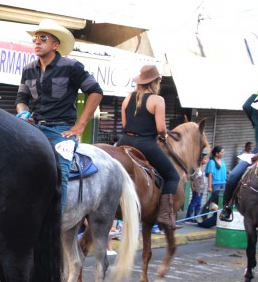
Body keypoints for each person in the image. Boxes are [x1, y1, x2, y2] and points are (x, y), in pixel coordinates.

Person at [15, 19, 104, 209]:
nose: (37, 42)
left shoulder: (72, 66)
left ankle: (56, 221)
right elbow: (21, 100)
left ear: (56, 45)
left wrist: (80, 126)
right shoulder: (28, 69)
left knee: (60, 172)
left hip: (62, 131)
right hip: (34, 127)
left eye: (43, 38)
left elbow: (95, 92)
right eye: (35, 39)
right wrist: (24, 113)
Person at [115, 64, 181, 229]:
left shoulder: (128, 97)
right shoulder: (157, 100)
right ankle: (165, 216)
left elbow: (124, 124)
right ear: (156, 81)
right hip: (145, 144)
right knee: (173, 176)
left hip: (123, 142)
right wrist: (164, 135)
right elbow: (160, 128)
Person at [219, 94, 258, 221]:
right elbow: (246, 105)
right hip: (256, 153)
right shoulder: (255, 116)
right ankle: (227, 208)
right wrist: (255, 92)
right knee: (234, 175)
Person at [204, 145, 227, 215]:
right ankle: (209, 215)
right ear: (217, 153)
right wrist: (209, 186)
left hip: (223, 183)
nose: (223, 153)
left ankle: (219, 215)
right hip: (215, 184)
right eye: (222, 152)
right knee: (215, 201)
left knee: (222, 200)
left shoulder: (222, 161)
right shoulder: (212, 162)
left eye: (223, 152)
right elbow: (210, 175)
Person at [186, 156, 209, 224]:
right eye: (205, 159)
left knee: (198, 204)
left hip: (201, 189)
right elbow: (192, 178)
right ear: (201, 160)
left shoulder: (202, 168)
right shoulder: (198, 170)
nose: (206, 160)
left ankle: (196, 217)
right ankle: (188, 218)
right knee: (194, 203)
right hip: (198, 190)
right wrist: (192, 186)